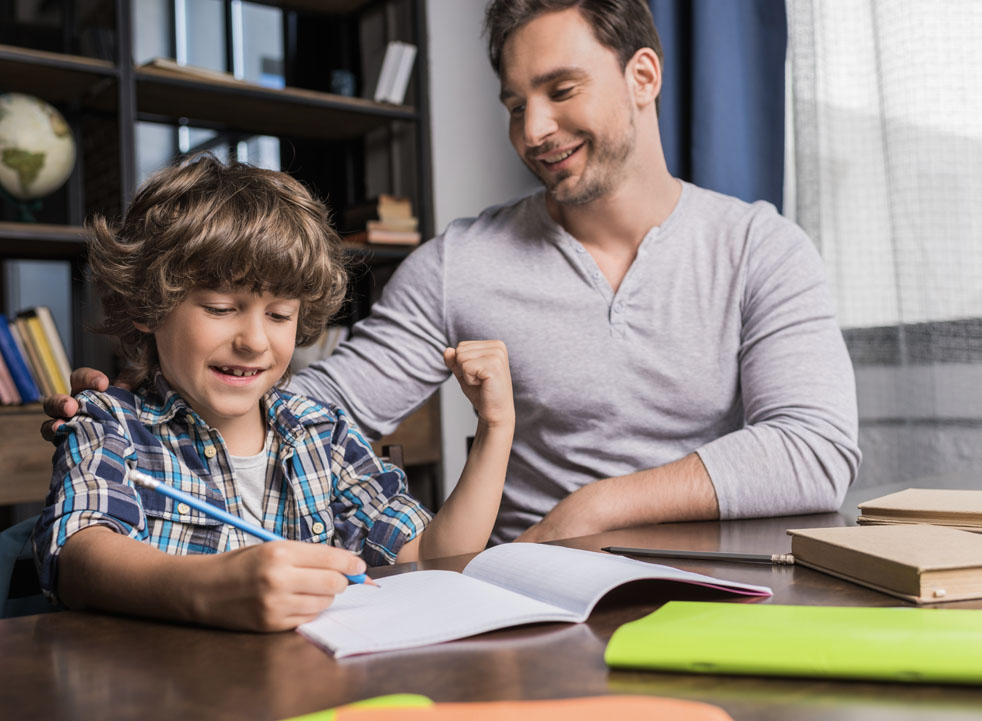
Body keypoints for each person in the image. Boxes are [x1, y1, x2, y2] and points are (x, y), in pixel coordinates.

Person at [46, 0, 858, 546]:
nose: (534, 130)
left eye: (561, 90)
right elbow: (315, 404)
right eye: (514, 105)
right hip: (531, 597)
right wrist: (145, 401)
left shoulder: (760, 247)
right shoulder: (459, 263)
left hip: (714, 583)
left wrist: (598, 505)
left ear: (642, 76)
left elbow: (815, 450)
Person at [33, 156, 514, 631]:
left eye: (280, 315)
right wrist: (209, 588)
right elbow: (76, 554)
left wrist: (496, 428)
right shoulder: (109, 423)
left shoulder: (323, 433)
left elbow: (431, 557)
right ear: (147, 306)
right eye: (220, 308)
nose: (255, 341)